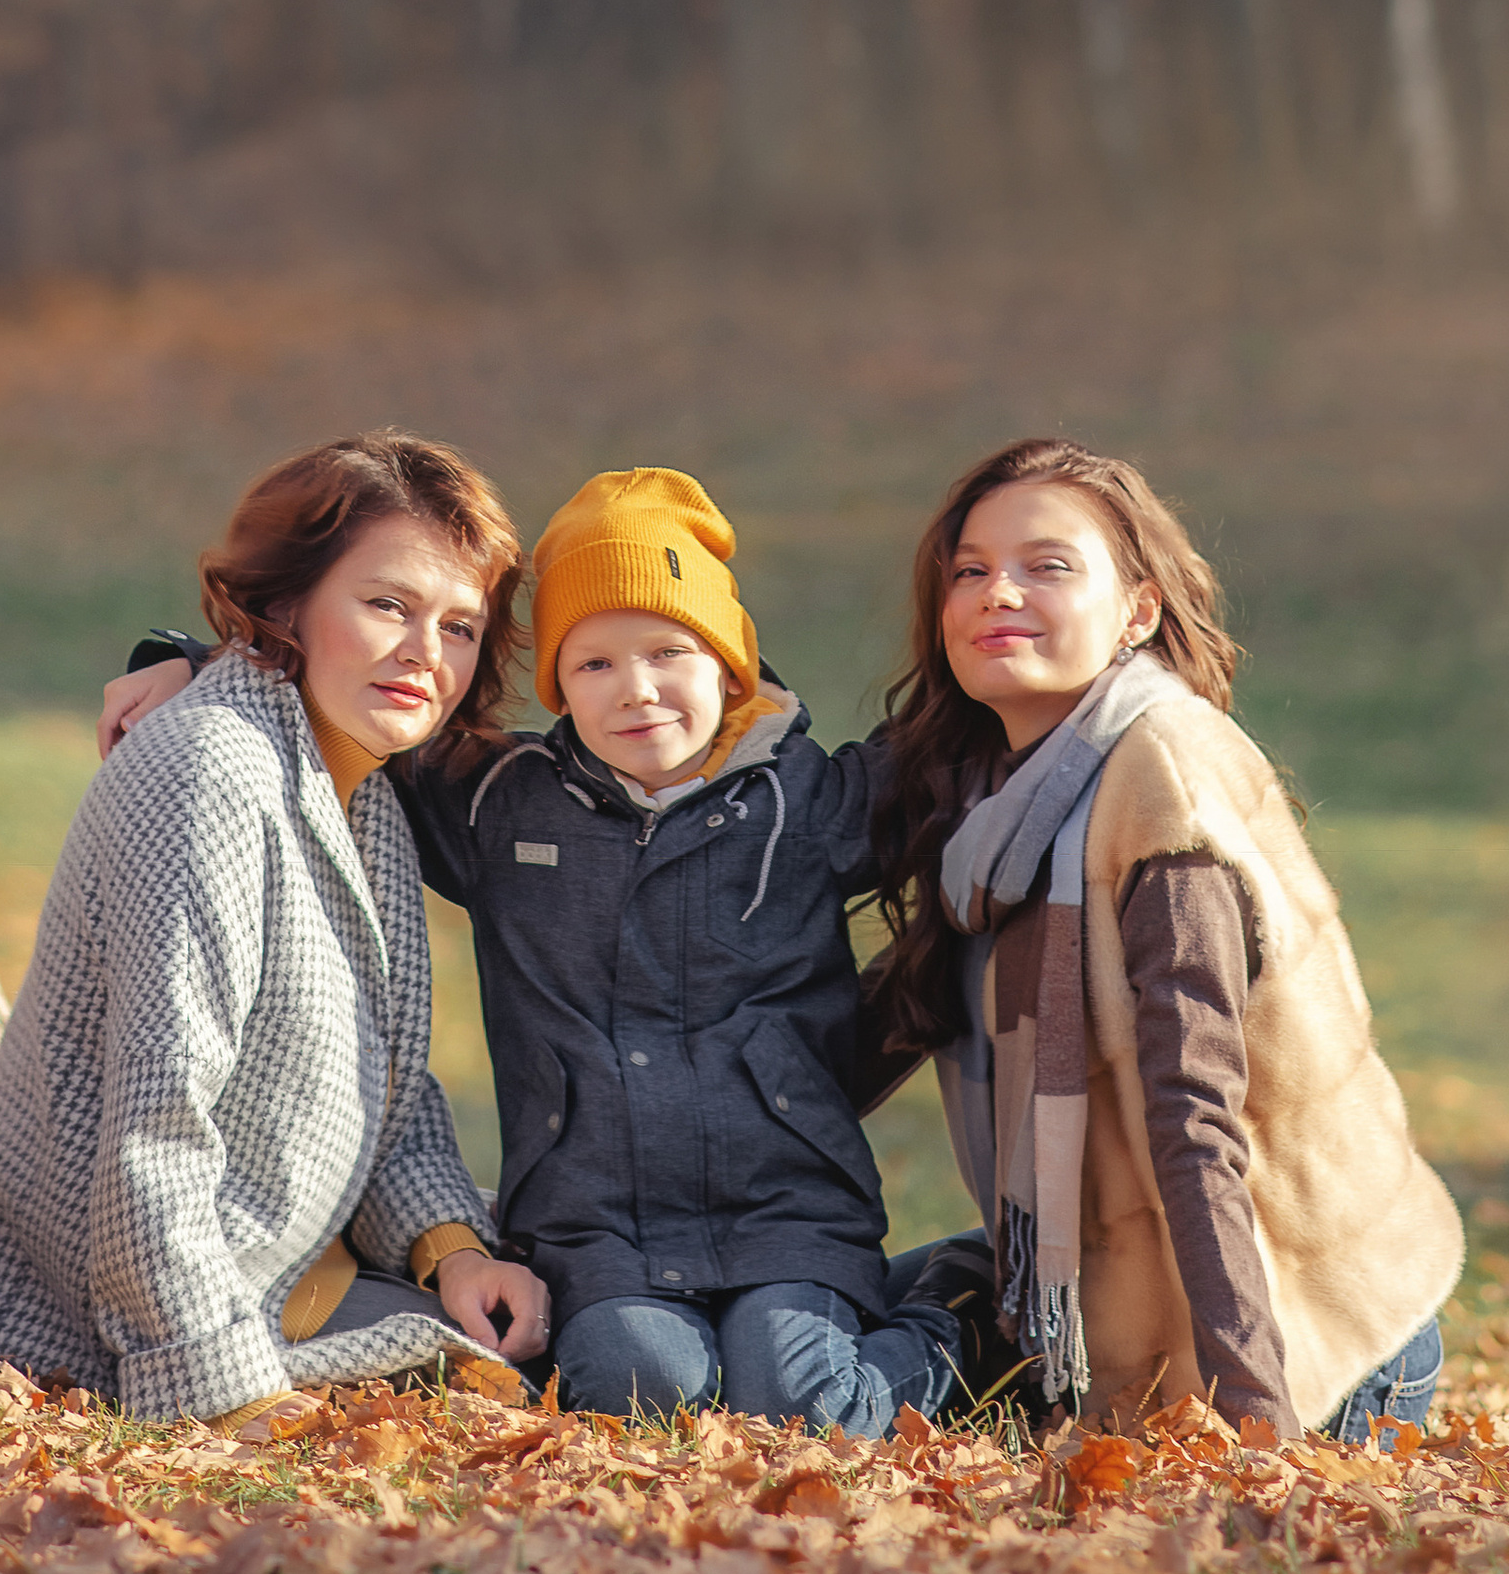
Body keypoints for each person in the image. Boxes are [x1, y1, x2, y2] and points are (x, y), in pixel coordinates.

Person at [109, 466, 959, 1439]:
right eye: (592, 665)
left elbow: (952, 740)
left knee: (803, 1403)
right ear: (558, 683)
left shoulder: (807, 802)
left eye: (668, 652)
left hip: (789, 1215)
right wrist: (184, 660)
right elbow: (340, 701)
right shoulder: (502, 800)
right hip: (595, 1229)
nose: (635, 691)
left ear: (729, 662)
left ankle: (948, 1315)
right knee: (635, 1393)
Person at [0, 431, 550, 1427]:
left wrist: (450, 1248)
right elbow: (154, 1130)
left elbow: (390, 1084)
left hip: (288, 1272)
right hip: (87, 1333)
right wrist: (233, 1395)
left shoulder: (361, 784)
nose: (428, 654)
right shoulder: (210, 775)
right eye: (388, 606)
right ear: (283, 601)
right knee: (559, 1383)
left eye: (460, 626)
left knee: (572, 1336)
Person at [873, 438, 1462, 1446]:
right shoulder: (994, 807)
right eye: (967, 570)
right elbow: (870, 1027)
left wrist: (1253, 1421)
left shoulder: (1162, 776)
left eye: (1045, 566)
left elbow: (1193, 1115)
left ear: (1137, 611)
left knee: (865, 1367)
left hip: (1301, 1328)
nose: (993, 592)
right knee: (832, 1315)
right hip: (1114, 1289)